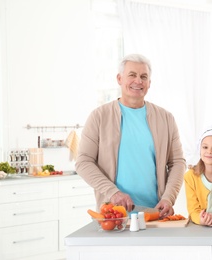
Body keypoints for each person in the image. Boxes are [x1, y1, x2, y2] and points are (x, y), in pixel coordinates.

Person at [76, 54, 186, 218]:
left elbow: (177, 162)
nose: (138, 81)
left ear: (149, 83)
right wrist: (112, 193)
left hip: (155, 213)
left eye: (144, 77)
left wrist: (169, 198)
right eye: (132, 75)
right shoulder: (99, 117)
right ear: (119, 78)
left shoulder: (166, 118)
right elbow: (83, 161)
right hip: (113, 214)